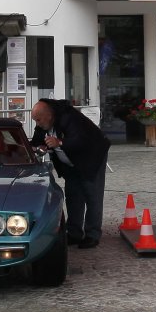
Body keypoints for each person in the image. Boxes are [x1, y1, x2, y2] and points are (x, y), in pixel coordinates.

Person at [31, 98, 110, 248]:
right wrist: (36, 147)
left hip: (91, 157)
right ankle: (74, 232)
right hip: (69, 163)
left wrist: (59, 142)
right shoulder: (43, 125)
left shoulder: (69, 117)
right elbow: (36, 142)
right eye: (35, 120)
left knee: (92, 195)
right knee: (73, 196)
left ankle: (92, 234)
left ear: (49, 115)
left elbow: (82, 140)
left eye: (38, 120)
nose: (37, 123)